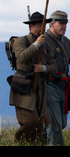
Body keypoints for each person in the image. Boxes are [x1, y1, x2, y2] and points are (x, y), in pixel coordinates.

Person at [9, 11, 56, 144]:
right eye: (40, 25)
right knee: (30, 121)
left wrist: (43, 68)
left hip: (40, 87)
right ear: (32, 26)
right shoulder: (20, 41)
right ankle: (19, 142)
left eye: (44, 25)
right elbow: (22, 57)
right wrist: (36, 45)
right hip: (24, 85)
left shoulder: (47, 45)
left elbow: (54, 67)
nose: (43, 29)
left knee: (39, 125)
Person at [44, 10, 69, 145]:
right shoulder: (45, 40)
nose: (64, 26)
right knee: (55, 124)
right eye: (61, 23)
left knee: (62, 122)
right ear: (52, 24)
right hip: (50, 83)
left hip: (63, 85)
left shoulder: (65, 41)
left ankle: (39, 139)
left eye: (65, 23)